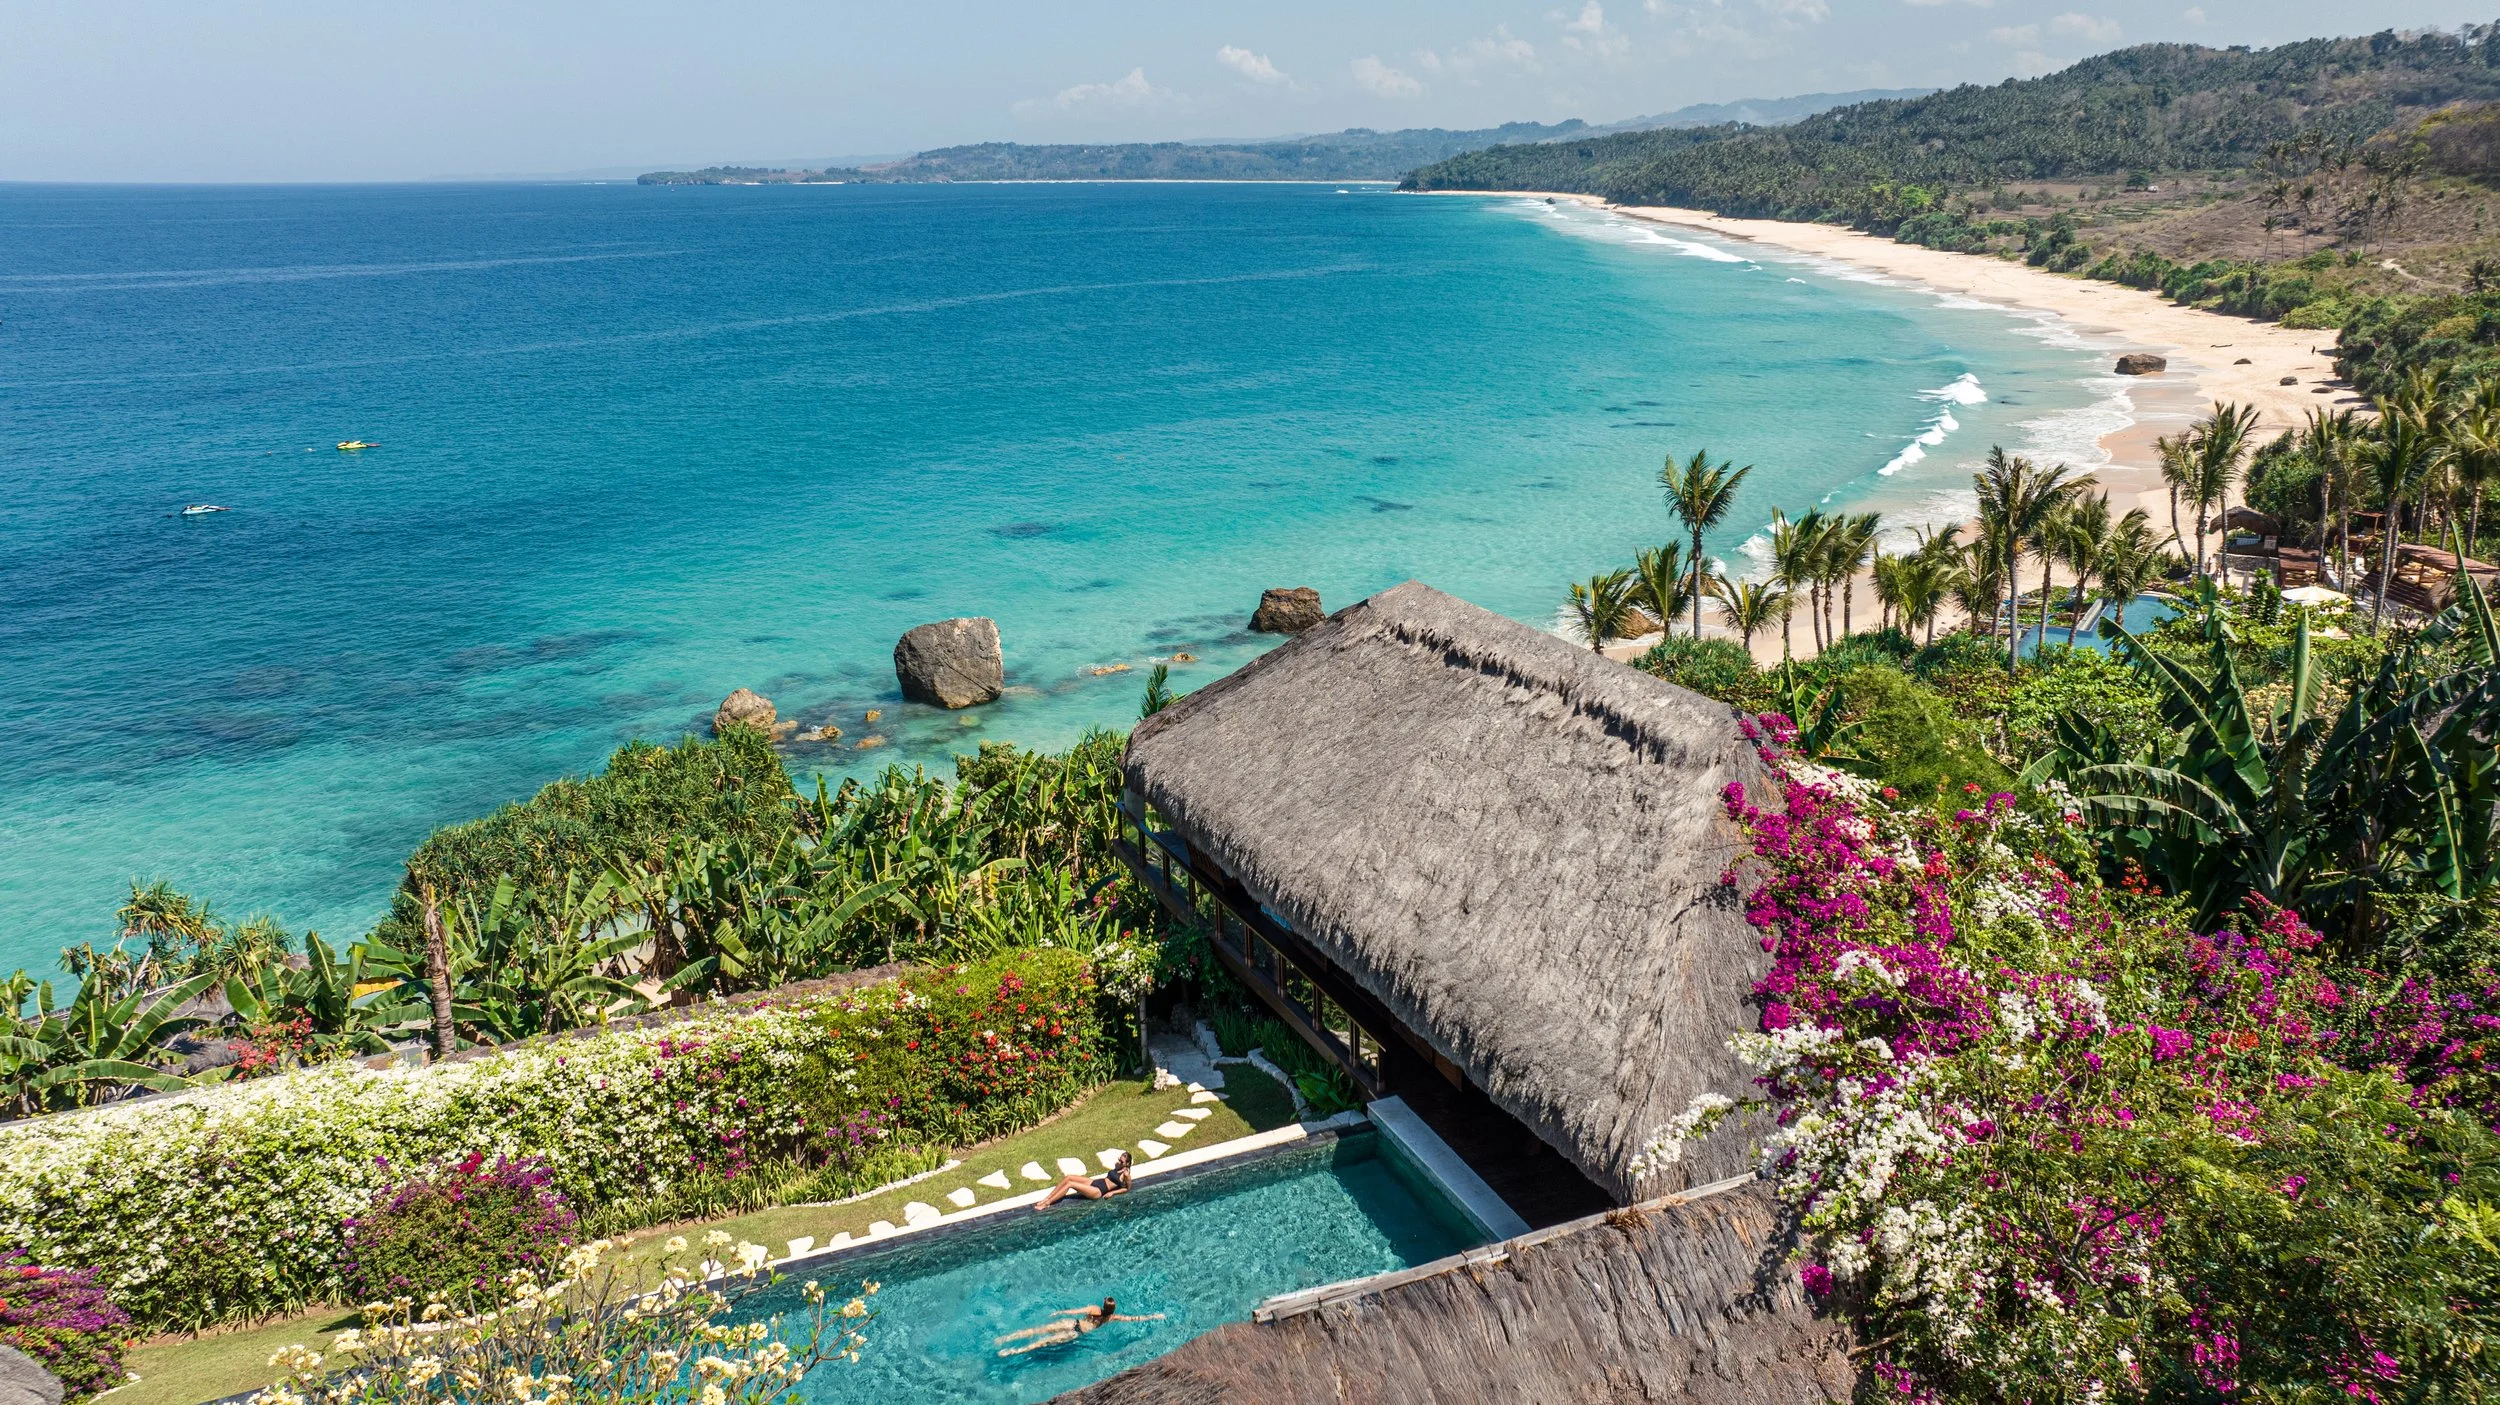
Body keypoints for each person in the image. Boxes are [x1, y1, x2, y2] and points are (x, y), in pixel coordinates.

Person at [994, 1296, 1164, 1356]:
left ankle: (1007, 1338)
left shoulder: (1093, 1308)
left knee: (1039, 1331)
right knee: (1043, 1342)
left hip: (1072, 1323)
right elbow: (1134, 1319)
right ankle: (1015, 1351)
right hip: (1076, 1334)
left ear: (1103, 1303)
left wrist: (1060, 1313)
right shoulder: (1112, 1318)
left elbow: (1075, 1310)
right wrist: (1153, 1316)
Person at [1035, 1151, 1130, 1210]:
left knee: (1070, 1184)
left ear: (1127, 1163)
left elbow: (1127, 1188)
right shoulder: (1118, 1167)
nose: (1119, 1162)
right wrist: (1117, 1166)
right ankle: (1047, 1198)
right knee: (1068, 1177)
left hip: (1098, 1191)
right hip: (1096, 1182)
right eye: (1119, 1159)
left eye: (1122, 1162)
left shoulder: (1126, 1175)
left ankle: (1047, 1204)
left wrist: (1112, 1193)